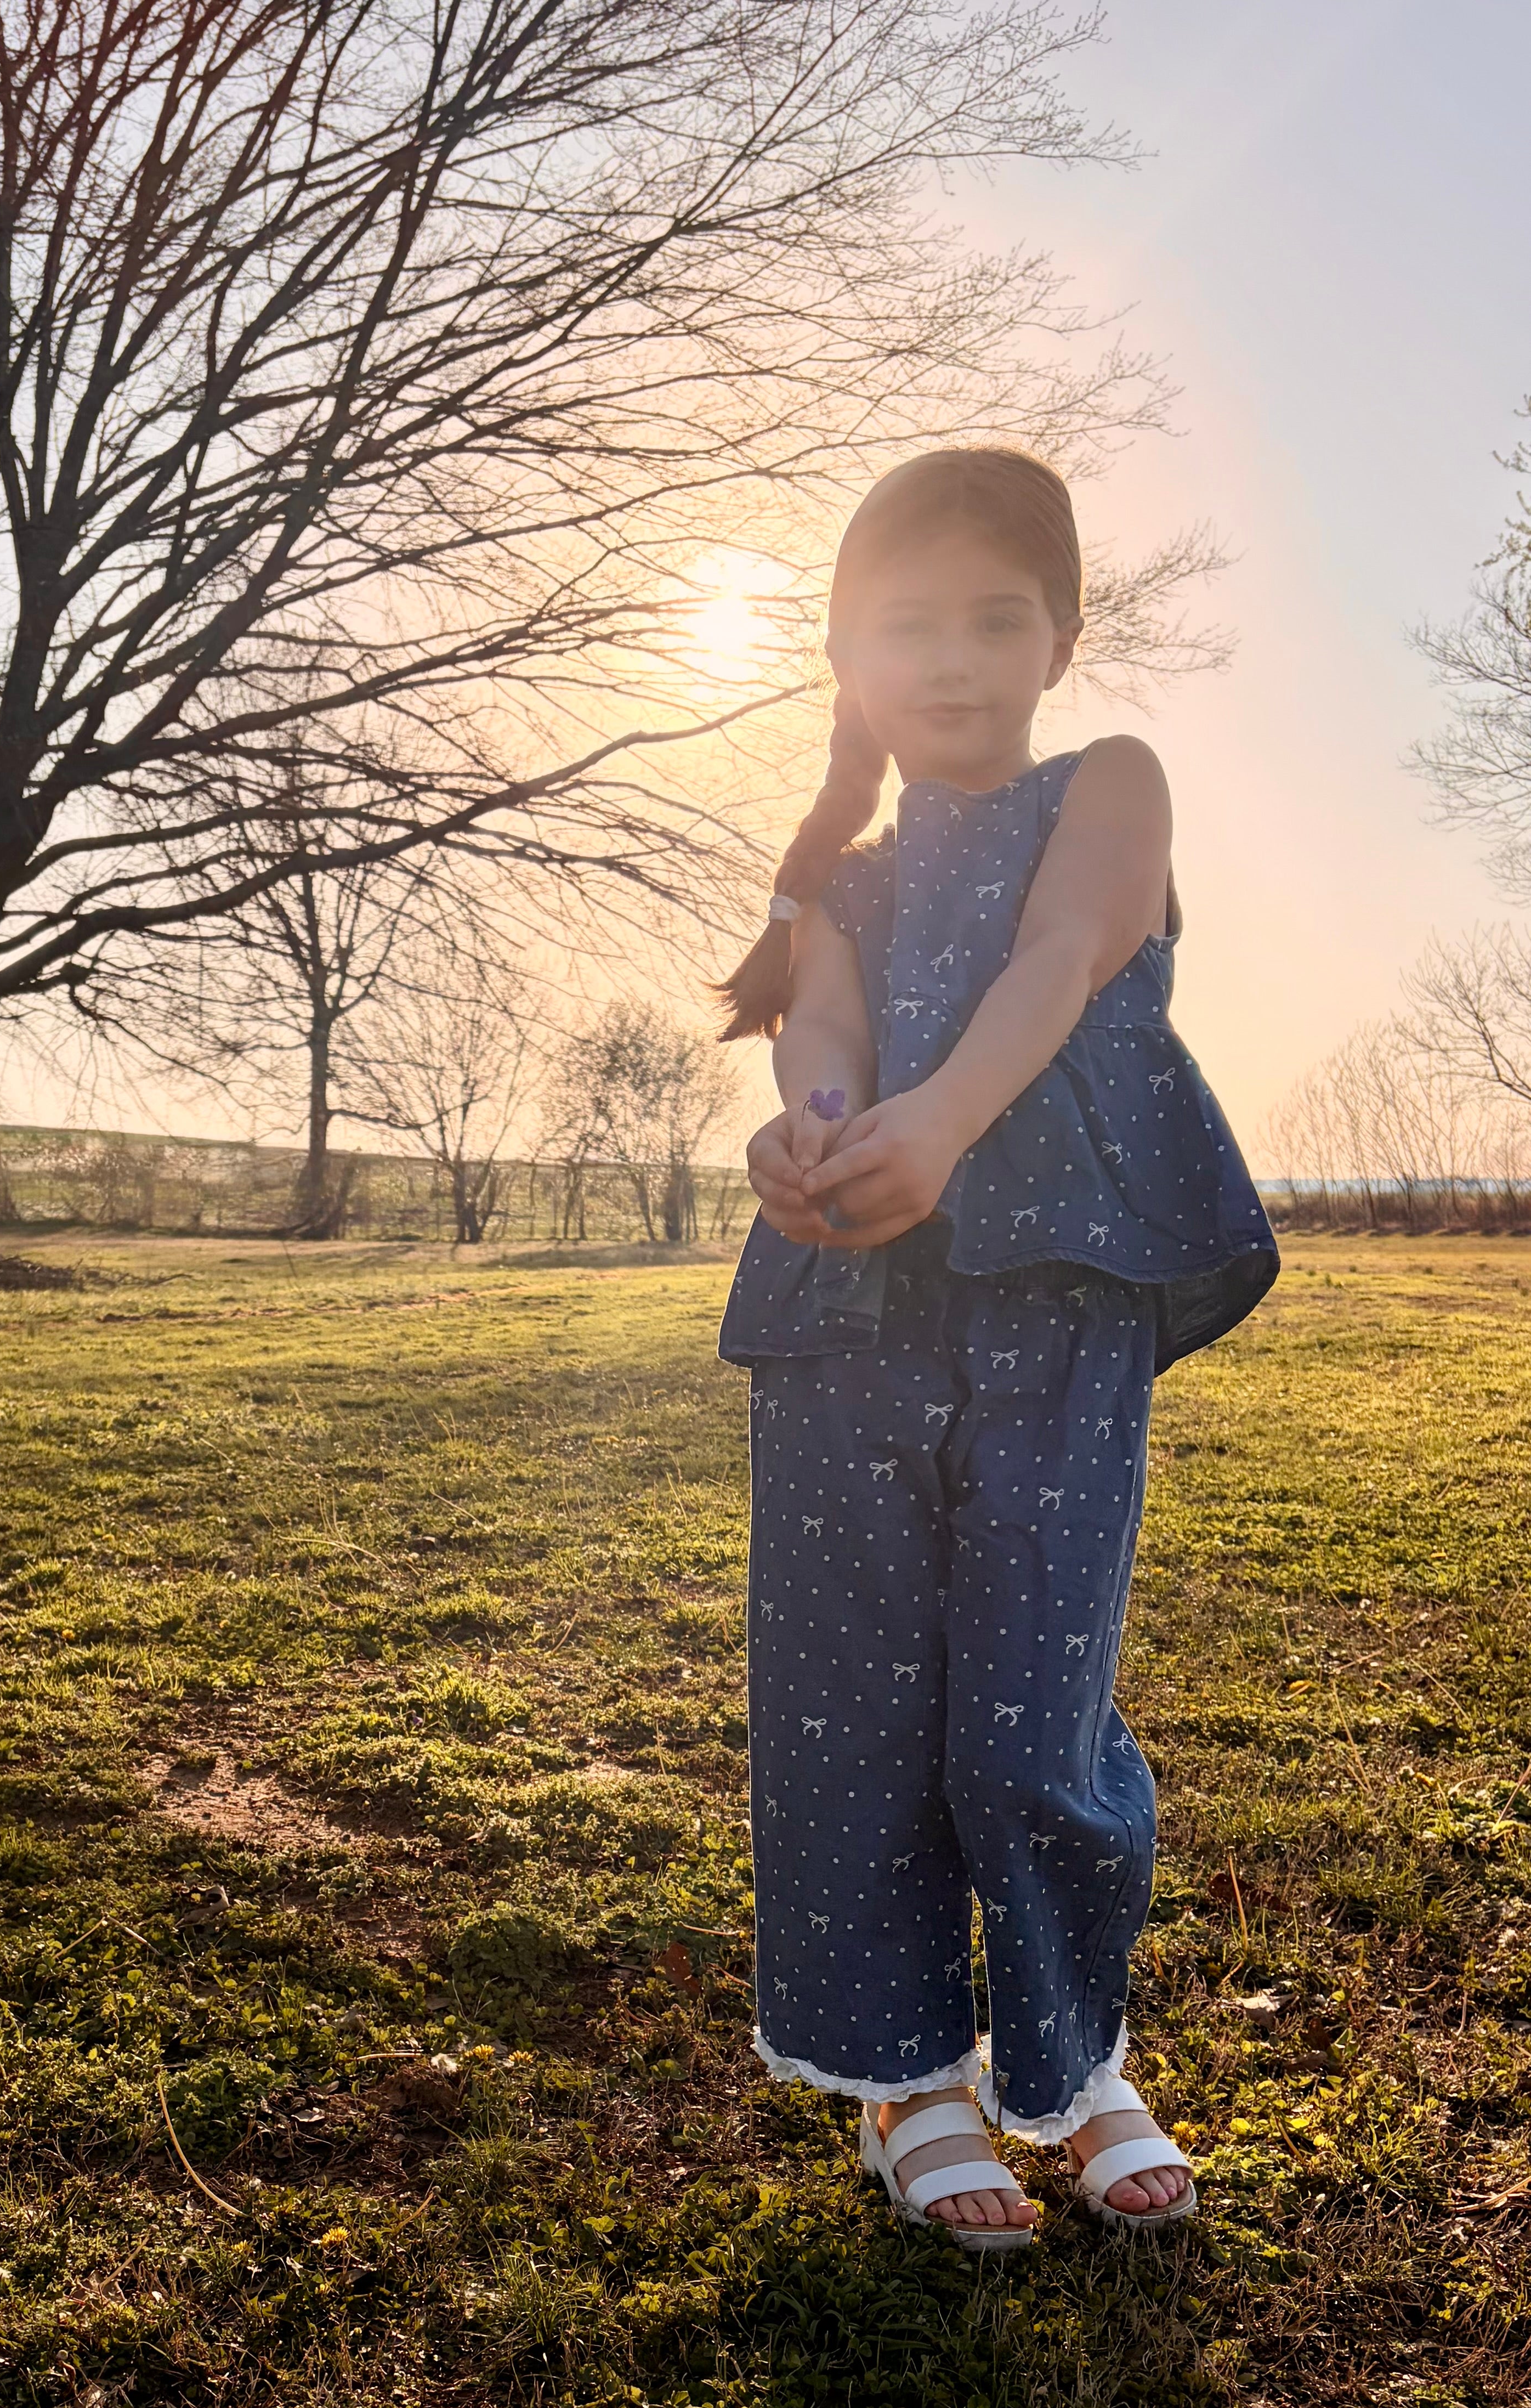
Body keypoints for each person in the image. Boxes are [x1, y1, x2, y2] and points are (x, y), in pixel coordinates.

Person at [717, 445, 1277, 2252]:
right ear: (843, 652)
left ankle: (1073, 2049)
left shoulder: (1107, 786)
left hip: (1057, 1300)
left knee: (1029, 1716)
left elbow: (1059, 956)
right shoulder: (844, 878)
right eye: (903, 626)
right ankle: (905, 2079)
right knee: (849, 1706)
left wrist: (942, 1122)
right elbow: (822, 1039)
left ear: (1059, 636)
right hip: (848, 1319)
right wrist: (803, 1136)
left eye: (992, 618)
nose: (949, 659)